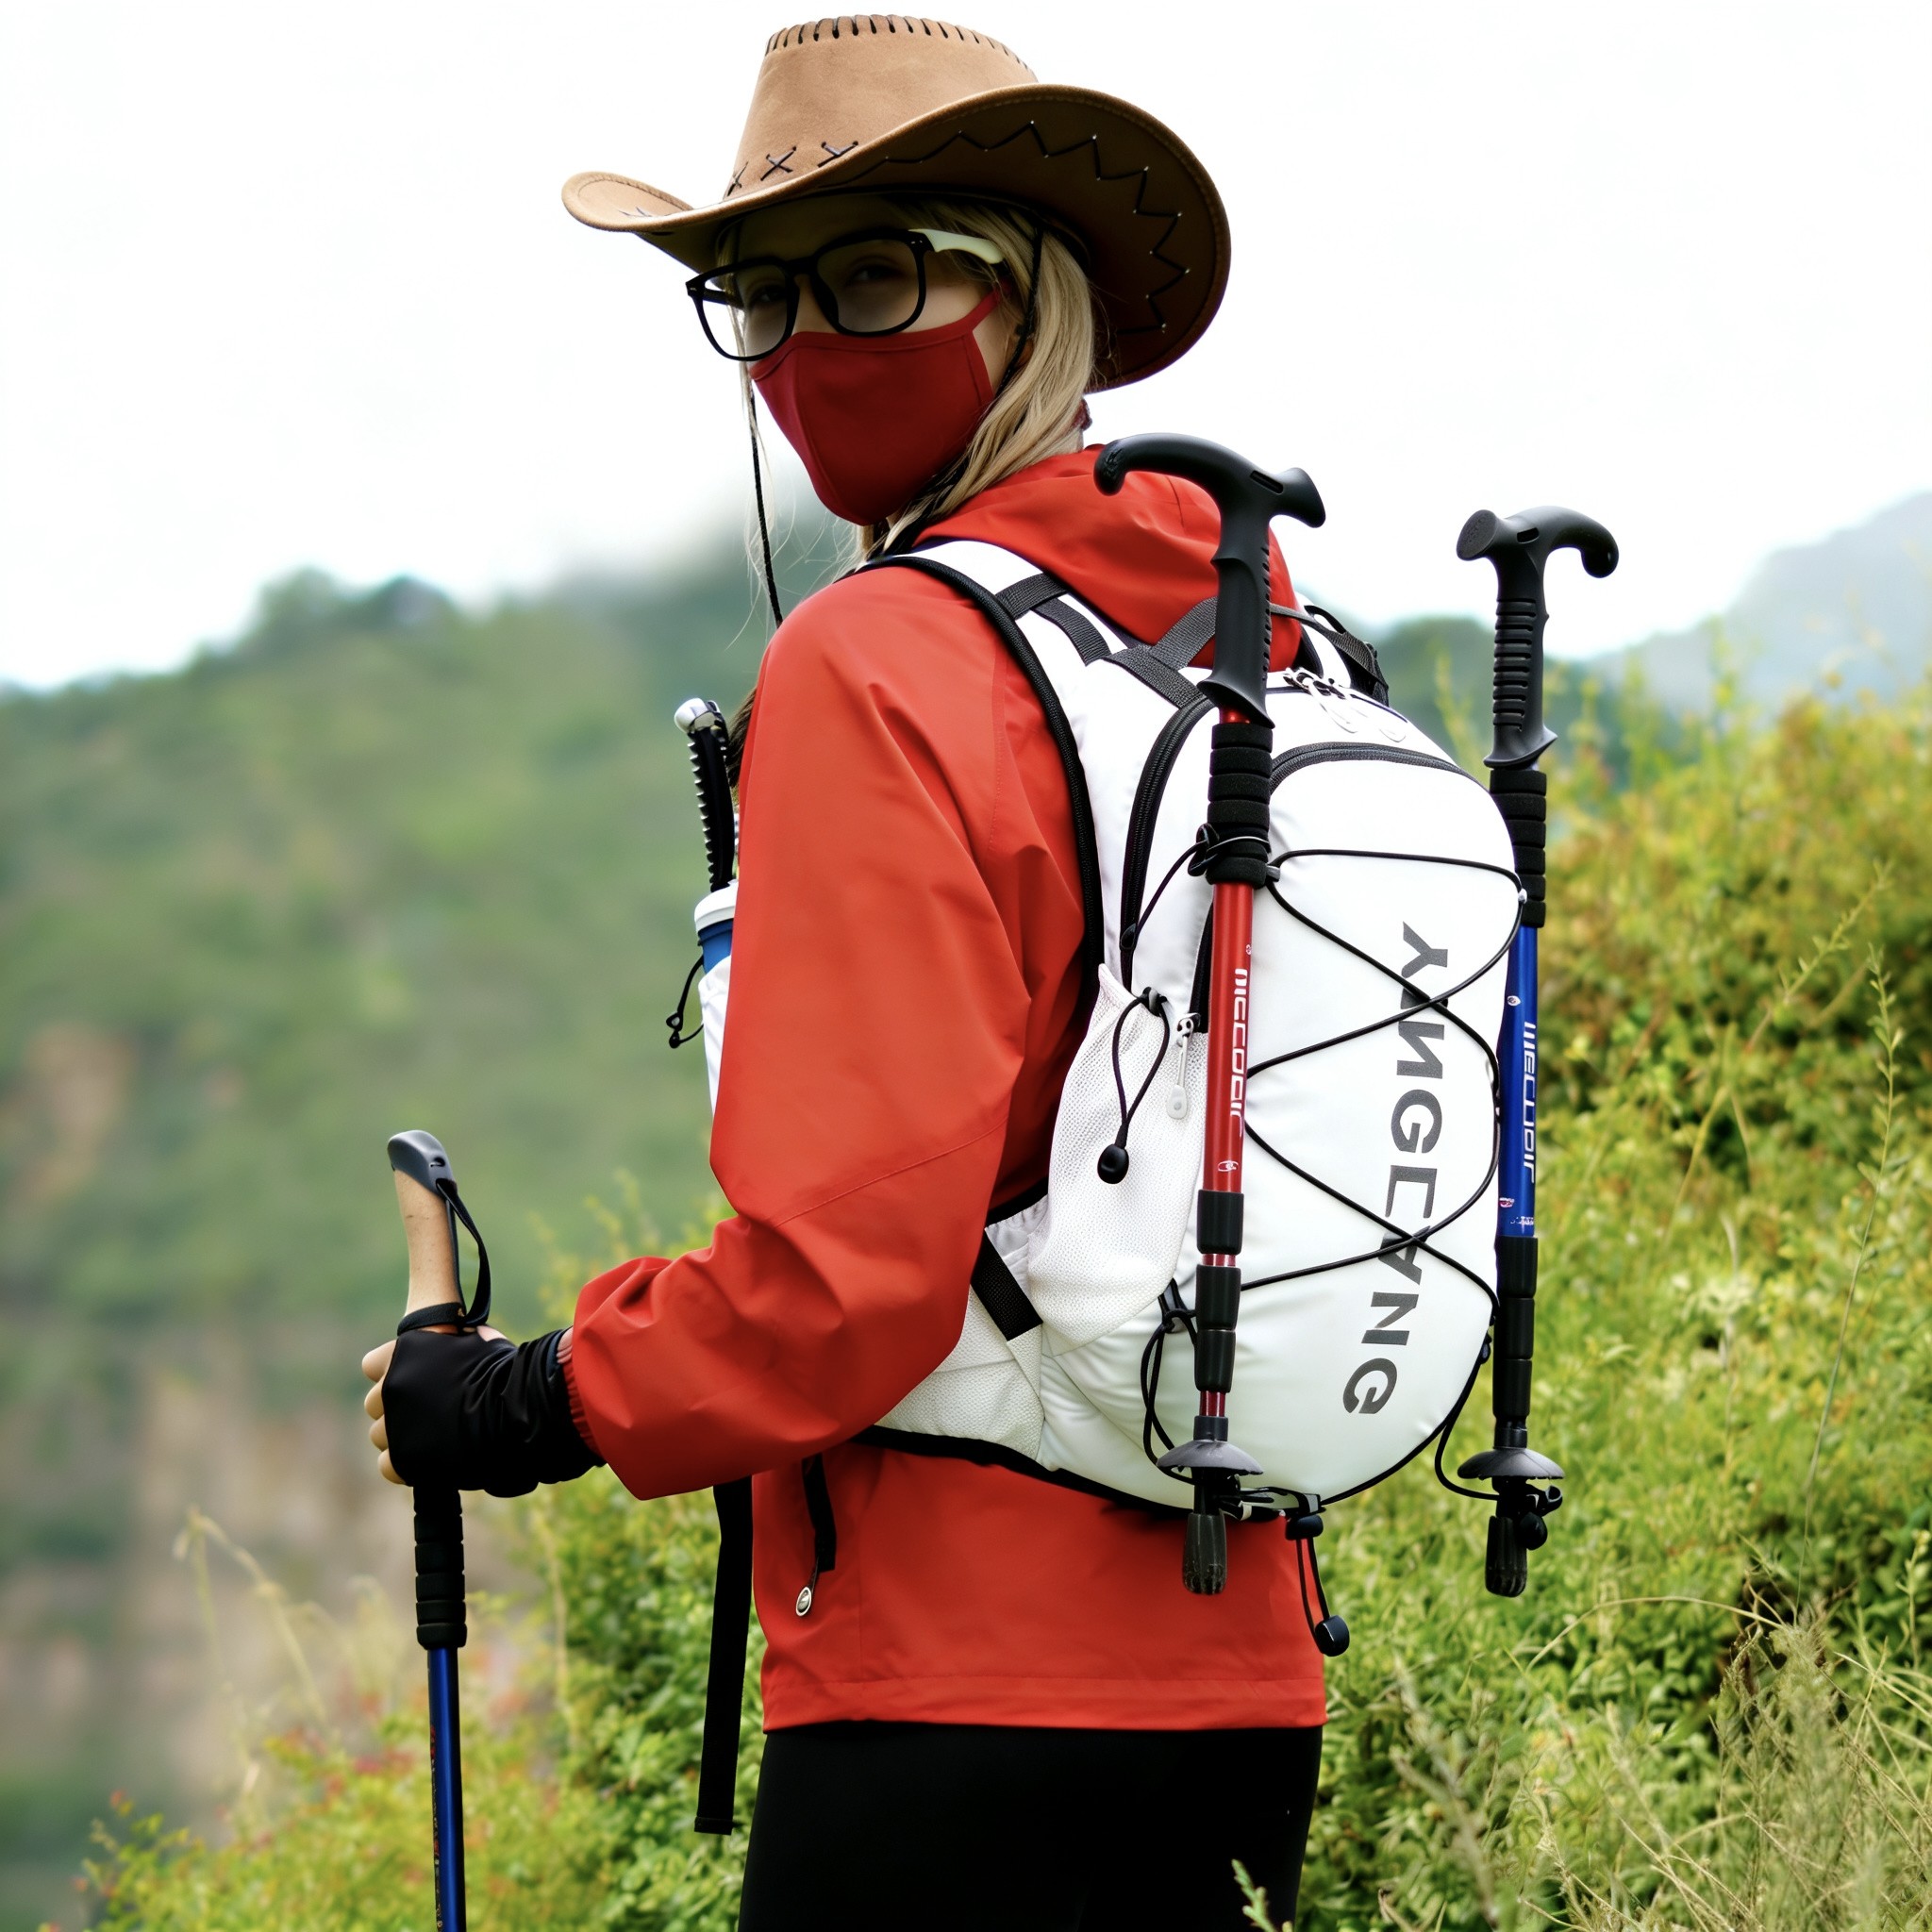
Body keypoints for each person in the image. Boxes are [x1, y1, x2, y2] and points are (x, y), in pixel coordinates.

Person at [362, 18, 1327, 1928]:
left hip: (947, 1703)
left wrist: (516, 1399)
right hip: (1248, 1670)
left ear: (1020, 290)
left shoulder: (882, 658)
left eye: (874, 274)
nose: (805, 344)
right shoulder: (1269, 641)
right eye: (757, 289)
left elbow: (833, 1295)